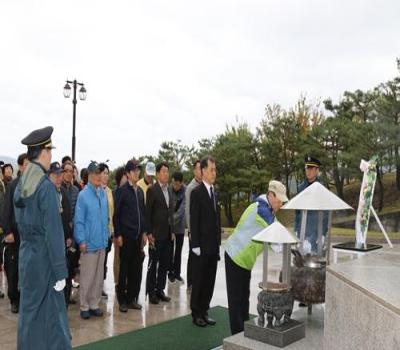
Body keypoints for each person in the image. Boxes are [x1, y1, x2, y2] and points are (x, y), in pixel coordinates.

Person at [14, 126, 71, 349]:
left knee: (30, 314)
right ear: (44, 152)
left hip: (27, 257)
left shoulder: (21, 183)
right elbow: (53, 232)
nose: (51, 156)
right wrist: (60, 271)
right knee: (53, 317)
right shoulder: (45, 187)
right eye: (50, 151)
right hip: (45, 260)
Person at [225, 180, 288, 334]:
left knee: (244, 298)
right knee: (236, 300)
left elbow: (279, 230)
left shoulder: (269, 210)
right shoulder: (262, 209)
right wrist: (288, 245)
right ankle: (236, 337)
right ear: (271, 195)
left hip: (245, 261)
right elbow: (276, 236)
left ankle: (244, 332)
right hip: (235, 257)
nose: (280, 204)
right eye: (279, 200)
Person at [74, 161, 109, 320]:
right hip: (88, 243)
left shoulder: (102, 193)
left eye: (100, 173)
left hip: (101, 242)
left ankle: (94, 304)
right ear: (89, 175)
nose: (98, 176)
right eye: (95, 173)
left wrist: (106, 236)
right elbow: (79, 221)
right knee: (87, 276)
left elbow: (105, 218)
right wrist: (81, 240)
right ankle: (84, 306)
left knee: (98, 276)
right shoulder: (83, 195)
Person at [190, 156, 221, 327]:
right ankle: (196, 313)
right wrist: (195, 245)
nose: (214, 173)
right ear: (202, 171)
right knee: (199, 280)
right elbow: (194, 220)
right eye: (211, 170)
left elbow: (216, 220)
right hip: (201, 246)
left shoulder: (215, 192)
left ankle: (205, 310)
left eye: (215, 170)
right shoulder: (196, 192)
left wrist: (218, 243)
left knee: (209, 280)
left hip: (212, 246)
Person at [114, 160, 146, 312]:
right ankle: (122, 299)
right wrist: (118, 234)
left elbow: (143, 214)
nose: (136, 173)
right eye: (133, 171)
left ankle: (132, 298)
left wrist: (144, 233)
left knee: (136, 269)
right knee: (124, 269)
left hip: (138, 237)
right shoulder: (122, 191)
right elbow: (117, 215)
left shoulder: (139, 191)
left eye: (138, 170)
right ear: (127, 173)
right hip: (126, 236)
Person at [2, 153, 29, 313]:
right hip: (15, 235)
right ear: (20, 166)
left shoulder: (34, 184)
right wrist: (8, 232)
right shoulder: (13, 185)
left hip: (29, 235)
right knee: (14, 268)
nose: (28, 167)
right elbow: (6, 211)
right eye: (25, 164)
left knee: (26, 268)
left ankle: (25, 297)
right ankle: (14, 299)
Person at [145, 161, 174, 304]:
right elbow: (148, 213)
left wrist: (173, 231)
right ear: (157, 174)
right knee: (153, 264)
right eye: (163, 171)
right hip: (155, 235)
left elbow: (171, 212)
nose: (166, 174)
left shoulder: (169, 190)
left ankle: (160, 290)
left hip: (168, 234)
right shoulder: (152, 190)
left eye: (167, 171)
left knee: (164, 264)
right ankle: (151, 293)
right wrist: (149, 233)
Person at [48, 162, 75, 307]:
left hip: (64, 241)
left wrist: (70, 236)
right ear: (49, 176)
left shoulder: (64, 193)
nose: (59, 178)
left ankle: (63, 302)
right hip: (50, 243)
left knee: (64, 273)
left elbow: (68, 218)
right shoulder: (46, 194)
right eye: (55, 175)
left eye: (60, 174)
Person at [294, 156, 328, 253]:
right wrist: (296, 228)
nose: (308, 171)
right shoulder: (300, 188)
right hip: (302, 232)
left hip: (315, 232)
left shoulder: (321, 188)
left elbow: (325, 213)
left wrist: (322, 234)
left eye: (311, 168)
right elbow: (297, 211)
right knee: (300, 261)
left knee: (315, 261)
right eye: (306, 168)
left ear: (317, 170)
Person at [184, 159, 202, 291]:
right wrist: (190, 230)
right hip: (194, 229)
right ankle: (190, 283)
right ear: (194, 170)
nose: (200, 171)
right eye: (198, 168)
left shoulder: (204, 186)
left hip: (203, 229)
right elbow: (188, 211)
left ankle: (198, 280)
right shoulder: (191, 188)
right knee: (193, 256)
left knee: (200, 257)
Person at [168, 171, 186, 283]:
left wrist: (171, 221)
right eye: (174, 183)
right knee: (170, 250)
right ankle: (170, 272)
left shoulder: (186, 190)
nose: (175, 186)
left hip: (179, 226)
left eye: (177, 184)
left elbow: (182, 210)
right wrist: (169, 225)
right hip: (169, 227)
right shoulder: (169, 189)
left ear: (182, 183)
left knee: (178, 250)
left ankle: (177, 273)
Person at [99, 162, 114, 299]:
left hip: (108, 232)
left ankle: (100, 286)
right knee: (96, 262)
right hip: (97, 233)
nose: (106, 175)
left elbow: (112, 212)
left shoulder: (109, 191)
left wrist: (113, 230)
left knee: (104, 260)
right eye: (103, 173)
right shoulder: (96, 190)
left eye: (107, 173)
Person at [112, 166, 127, 290]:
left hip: (129, 232)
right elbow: (115, 214)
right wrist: (117, 233)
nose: (126, 178)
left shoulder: (131, 191)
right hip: (118, 231)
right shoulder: (115, 192)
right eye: (124, 176)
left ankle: (125, 280)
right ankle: (118, 281)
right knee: (118, 257)